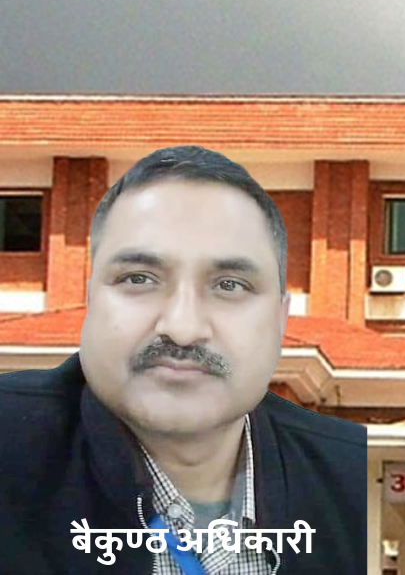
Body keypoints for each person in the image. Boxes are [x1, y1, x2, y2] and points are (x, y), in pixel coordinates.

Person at [0, 146, 366, 573]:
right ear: (91, 299)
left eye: (229, 285)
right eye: (139, 278)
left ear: (280, 319)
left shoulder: (357, 479)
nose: (182, 328)